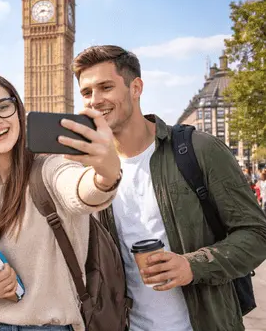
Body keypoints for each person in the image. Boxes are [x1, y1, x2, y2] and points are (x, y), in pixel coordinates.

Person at [72, 45, 266, 331]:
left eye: (106, 87)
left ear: (135, 87)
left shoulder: (199, 149)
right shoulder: (89, 175)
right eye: (87, 93)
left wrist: (193, 265)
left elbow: (257, 234)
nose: (95, 100)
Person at [0, 70, 122, 331]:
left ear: (18, 110)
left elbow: (82, 191)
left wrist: (106, 174)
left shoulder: (49, 170)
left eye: (3, 107)